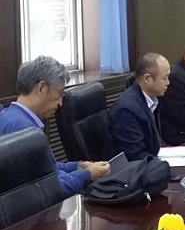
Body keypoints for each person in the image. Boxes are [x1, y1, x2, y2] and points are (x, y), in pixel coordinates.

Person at [0, 56, 110, 198]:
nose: (60, 103)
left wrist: (78, 166)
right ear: (41, 88)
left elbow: (46, 168)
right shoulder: (24, 131)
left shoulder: (9, 116)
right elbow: (53, 188)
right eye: (59, 94)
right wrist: (88, 174)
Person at [110, 53, 170, 161]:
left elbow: (156, 143)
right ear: (147, 79)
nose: (168, 83)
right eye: (164, 78)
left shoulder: (151, 100)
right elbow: (135, 156)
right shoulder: (126, 110)